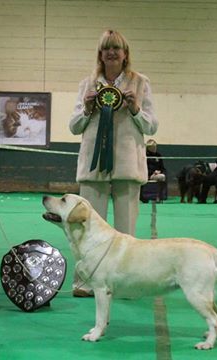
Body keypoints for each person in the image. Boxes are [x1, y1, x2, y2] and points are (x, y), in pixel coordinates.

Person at [69, 29, 158, 296]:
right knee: (86, 230)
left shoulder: (141, 83)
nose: (111, 52)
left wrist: (135, 109)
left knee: (126, 233)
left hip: (127, 166)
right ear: (100, 54)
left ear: (125, 53)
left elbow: (152, 126)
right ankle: (85, 282)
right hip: (93, 167)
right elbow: (73, 127)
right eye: (106, 48)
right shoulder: (87, 84)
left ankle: (123, 283)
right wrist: (86, 109)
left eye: (116, 48)